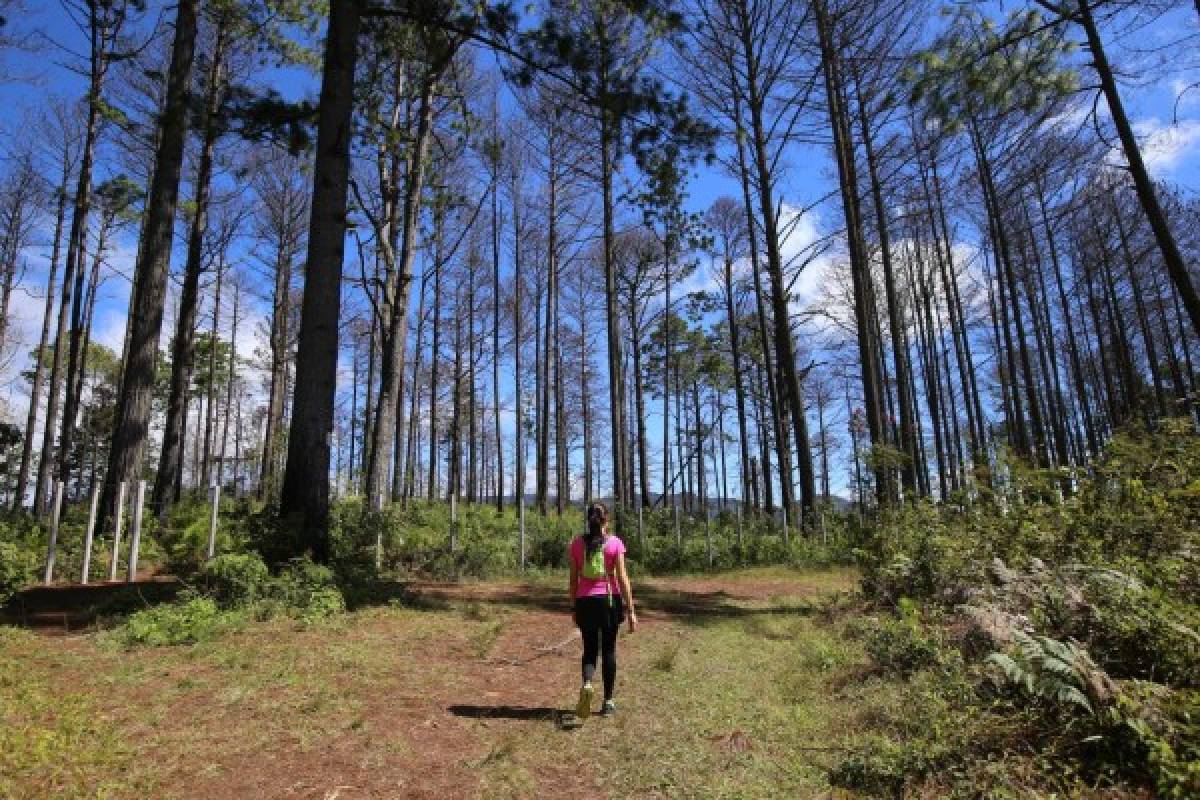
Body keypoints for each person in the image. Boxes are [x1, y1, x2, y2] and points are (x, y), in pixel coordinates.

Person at [568, 501, 637, 720]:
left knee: (589, 650)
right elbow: (622, 578)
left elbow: (572, 581)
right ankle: (608, 702)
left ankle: (587, 683)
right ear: (606, 520)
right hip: (609, 599)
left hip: (585, 601)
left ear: (588, 520)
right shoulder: (615, 543)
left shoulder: (577, 544)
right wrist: (631, 609)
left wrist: (574, 606)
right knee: (608, 650)